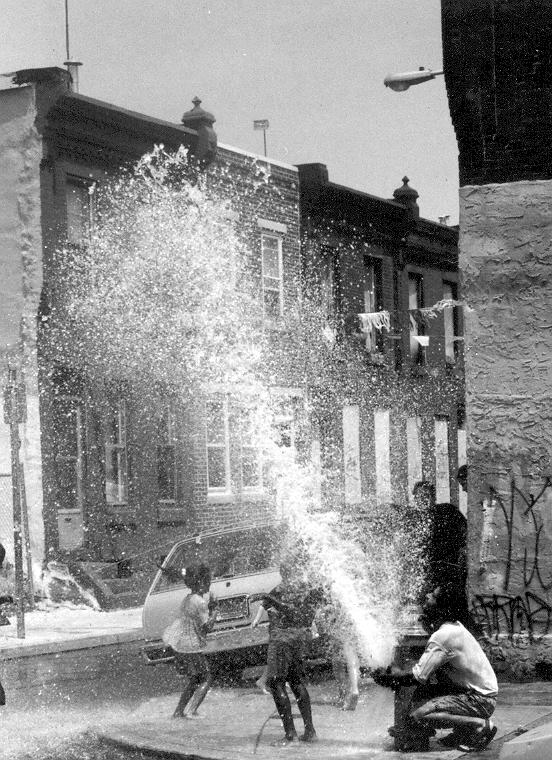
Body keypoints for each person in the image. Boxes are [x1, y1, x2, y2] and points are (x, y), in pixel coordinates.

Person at [373, 584, 498, 753]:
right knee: (421, 694)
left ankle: (479, 725)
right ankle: (462, 730)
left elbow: (418, 676)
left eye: (433, 596)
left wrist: (389, 678)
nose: (427, 597)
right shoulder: (452, 628)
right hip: (474, 693)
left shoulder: (444, 635)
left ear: (442, 607)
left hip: (479, 700)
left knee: (418, 715)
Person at [262, 554, 323, 746]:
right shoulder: (307, 590)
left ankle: (290, 736)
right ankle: (310, 731)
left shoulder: (279, 591)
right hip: (296, 641)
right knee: (296, 682)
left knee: (275, 683)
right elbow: (305, 618)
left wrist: (270, 599)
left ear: (283, 572)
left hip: (281, 641)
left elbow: (290, 614)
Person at [165, 564, 218, 719]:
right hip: (192, 646)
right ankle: (192, 710)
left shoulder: (187, 599)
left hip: (181, 645)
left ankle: (178, 711)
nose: (209, 584)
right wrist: (214, 609)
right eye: (208, 581)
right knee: (207, 678)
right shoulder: (200, 602)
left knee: (194, 679)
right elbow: (207, 627)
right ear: (201, 582)